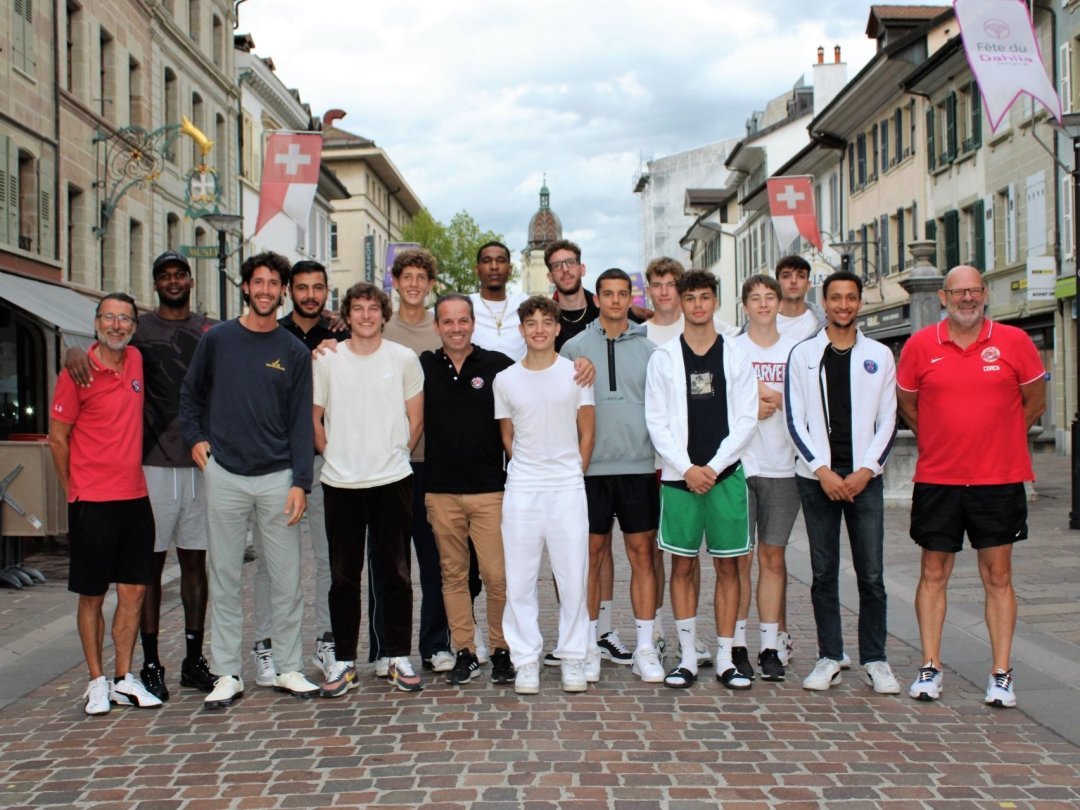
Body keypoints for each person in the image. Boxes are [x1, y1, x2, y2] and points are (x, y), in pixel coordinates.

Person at [64, 251, 218, 701]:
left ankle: (193, 658)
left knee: (195, 562)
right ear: (155, 284)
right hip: (148, 463)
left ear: (191, 280)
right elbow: (97, 351)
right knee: (146, 567)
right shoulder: (138, 333)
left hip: (200, 462)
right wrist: (74, 349)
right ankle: (149, 663)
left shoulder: (209, 330)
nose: (172, 281)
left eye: (179, 274)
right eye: (164, 276)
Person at [897, 265, 1045, 708]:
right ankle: (930, 666)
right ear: (943, 297)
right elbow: (909, 404)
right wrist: (945, 440)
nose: (966, 298)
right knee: (934, 573)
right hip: (939, 479)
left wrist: (997, 440)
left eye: (974, 291)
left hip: (998, 479)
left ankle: (1001, 673)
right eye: (958, 291)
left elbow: (1034, 402)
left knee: (998, 576)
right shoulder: (921, 345)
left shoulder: (1014, 342)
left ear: (984, 294)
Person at [180, 251, 319, 709]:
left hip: (278, 477)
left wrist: (301, 480)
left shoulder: (293, 351)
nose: (265, 291)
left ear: (282, 291)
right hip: (224, 475)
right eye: (257, 282)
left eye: (273, 284)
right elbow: (190, 395)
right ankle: (226, 672)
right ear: (246, 287)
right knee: (222, 577)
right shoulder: (218, 340)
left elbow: (301, 421)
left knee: (286, 578)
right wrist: (195, 438)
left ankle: (288, 667)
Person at [785, 270, 900, 695]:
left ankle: (876, 659)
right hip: (819, 481)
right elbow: (793, 419)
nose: (843, 306)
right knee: (823, 572)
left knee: (871, 575)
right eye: (836, 298)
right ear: (825, 301)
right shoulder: (803, 355)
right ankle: (830, 655)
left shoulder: (879, 355)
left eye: (851, 298)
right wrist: (822, 470)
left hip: (864, 481)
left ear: (859, 303)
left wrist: (866, 470)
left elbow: (889, 419)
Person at [49, 293, 163, 715]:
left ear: (134, 324)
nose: (117, 325)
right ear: (96, 321)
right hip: (92, 500)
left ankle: (122, 678)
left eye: (124, 319)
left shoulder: (135, 360)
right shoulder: (77, 372)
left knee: (134, 590)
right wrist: (71, 490)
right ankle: (96, 681)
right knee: (92, 594)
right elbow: (57, 438)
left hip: (134, 497)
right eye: (109, 317)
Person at [645, 270, 757, 691]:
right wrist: (687, 468)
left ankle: (728, 657)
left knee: (730, 568)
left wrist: (714, 466)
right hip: (680, 479)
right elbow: (656, 421)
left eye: (704, 297)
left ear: (715, 302)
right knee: (683, 566)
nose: (696, 305)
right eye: (689, 297)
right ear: (680, 301)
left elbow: (746, 418)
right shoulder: (664, 357)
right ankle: (688, 656)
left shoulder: (736, 355)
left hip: (725, 476)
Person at [313, 282, 425, 697]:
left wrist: (395, 455)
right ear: (348, 314)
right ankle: (343, 661)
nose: (365, 315)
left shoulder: (403, 359)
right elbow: (315, 417)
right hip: (340, 482)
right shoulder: (327, 359)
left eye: (372, 308)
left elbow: (416, 418)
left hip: (392, 480)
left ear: (384, 313)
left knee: (395, 573)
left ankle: (396, 655)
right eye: (357, 308)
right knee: (344, 577)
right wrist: (333, 454)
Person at [561, 268, 663, 684]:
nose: (616, 301)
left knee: (642, 556)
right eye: (608, 294)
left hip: (639, 468)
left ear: (630, 298)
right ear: (597, 298)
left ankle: (644, 647)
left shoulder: (651, 350)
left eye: (623, 294)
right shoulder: (572, 348)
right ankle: (587, 646)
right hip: (590, 470)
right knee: (590, 558)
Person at [495, 295, 595, 694]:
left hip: (567, 487)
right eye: (531, 322)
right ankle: (525, 660)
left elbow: (587, 430)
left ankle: (573, 656)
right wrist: (529, 469)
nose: (539, 328)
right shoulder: (506, 379)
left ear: (557, 328)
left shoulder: (576, 374)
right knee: (519, 579)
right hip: (522, 488)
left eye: (546, 322)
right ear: (522, 330)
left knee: (572, 577)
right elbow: (508, 436)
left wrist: (574, 470)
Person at [250, 259, 340, 689]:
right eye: (301, 287)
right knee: (271, 563)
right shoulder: (270, 333)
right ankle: (266, 643)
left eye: (317, 288)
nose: (309, 295)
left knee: (327, 558)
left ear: (326, 291)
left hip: (324, 462)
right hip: (277, 462)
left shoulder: (341, 336)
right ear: (288, 291)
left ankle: (327, 640)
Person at [365, 248, 454, 676]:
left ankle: (436, 643)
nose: (414, 284)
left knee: (435, 561)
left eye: (422, 277)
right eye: (407, 277)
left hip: (432, 463)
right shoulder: (380, 329)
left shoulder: (442, 331)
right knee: (388, 561)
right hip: (385, 465)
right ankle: (387, 647)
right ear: (395, 283)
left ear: (430, 284)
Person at [421, 293, 516, 686]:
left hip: (489, 490)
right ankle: (465, 651)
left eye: (463, 321)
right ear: (437, 326)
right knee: (453, 575)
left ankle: (501, 649)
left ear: (473, 323)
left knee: (497, 576)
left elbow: (540, 371)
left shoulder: (497, 366)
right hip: (440, 491)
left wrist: (580, 364)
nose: (456, 328)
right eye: (448, 321)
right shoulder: (423, 366)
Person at [733, 274, 800, 683]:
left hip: (783, 466)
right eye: (755, 298)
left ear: (779, 303)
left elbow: (809, 405)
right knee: (739, 559)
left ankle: (770, 645)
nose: (762, 304)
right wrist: (749, 405)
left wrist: (782, 401)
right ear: (745, 306)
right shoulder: (732, 349)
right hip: (741, 465)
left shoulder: (796, 351)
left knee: (773, 558)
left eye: (769, 297)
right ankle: (737, 643)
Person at [471, 241, 528, 360]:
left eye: (501, 260)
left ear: (510, 269)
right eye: (487, 261)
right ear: (477, 269)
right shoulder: (464, 305)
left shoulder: (525, 304)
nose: (494, 267)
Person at [775, 255, 826, 341]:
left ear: (808, 285)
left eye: (801, 276)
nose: (793, 281)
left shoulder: (823, 324)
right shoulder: (763, 324)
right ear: (776, 285)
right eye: (786, 276)